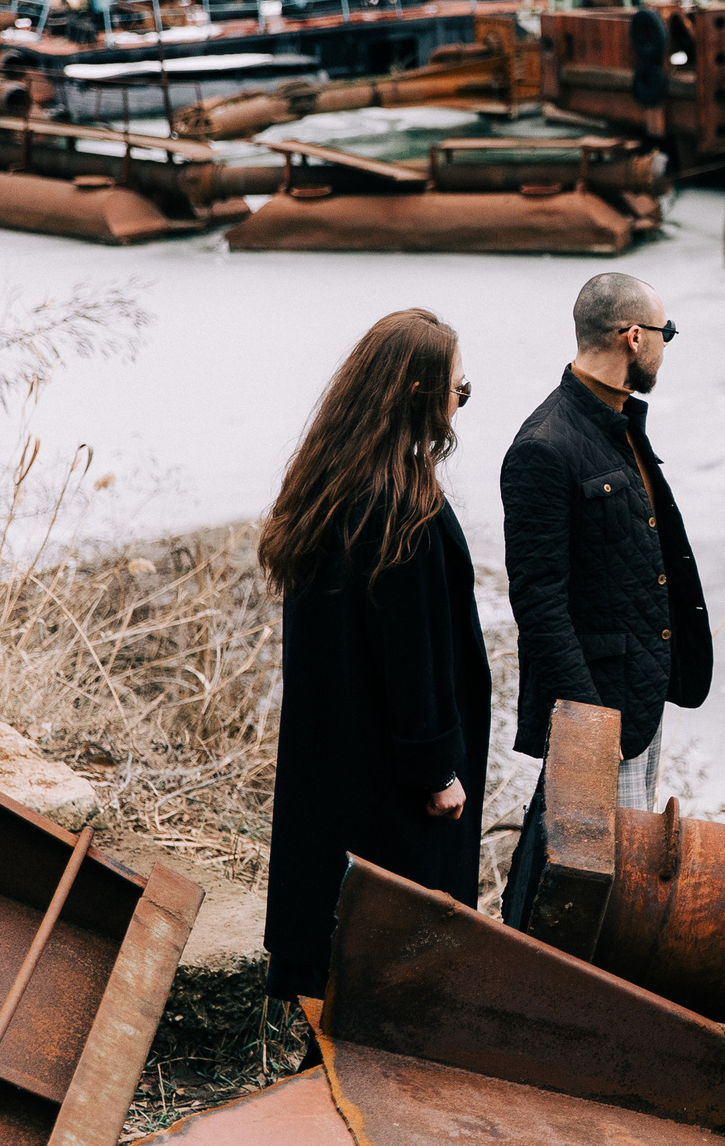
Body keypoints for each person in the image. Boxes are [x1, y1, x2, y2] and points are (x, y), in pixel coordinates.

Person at [257, 309, 489, 1001]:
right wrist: (436, 771)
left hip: (331, 758)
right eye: (459, 389)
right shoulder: (403, 509)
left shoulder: (325, 485)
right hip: (396, 783)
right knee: (395, 952)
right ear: (421, 394)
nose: (458, 403)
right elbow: (414, 656)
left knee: (333, 937)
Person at [499, 272, 712, 930]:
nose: (665, 347)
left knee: (602, 869)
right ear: (633, 335)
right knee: (592, 884)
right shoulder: (543, 446)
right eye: (665, 334)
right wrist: (590, 726)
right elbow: (537, 600)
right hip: (602, 712)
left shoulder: (617, 422)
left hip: (639, 698)